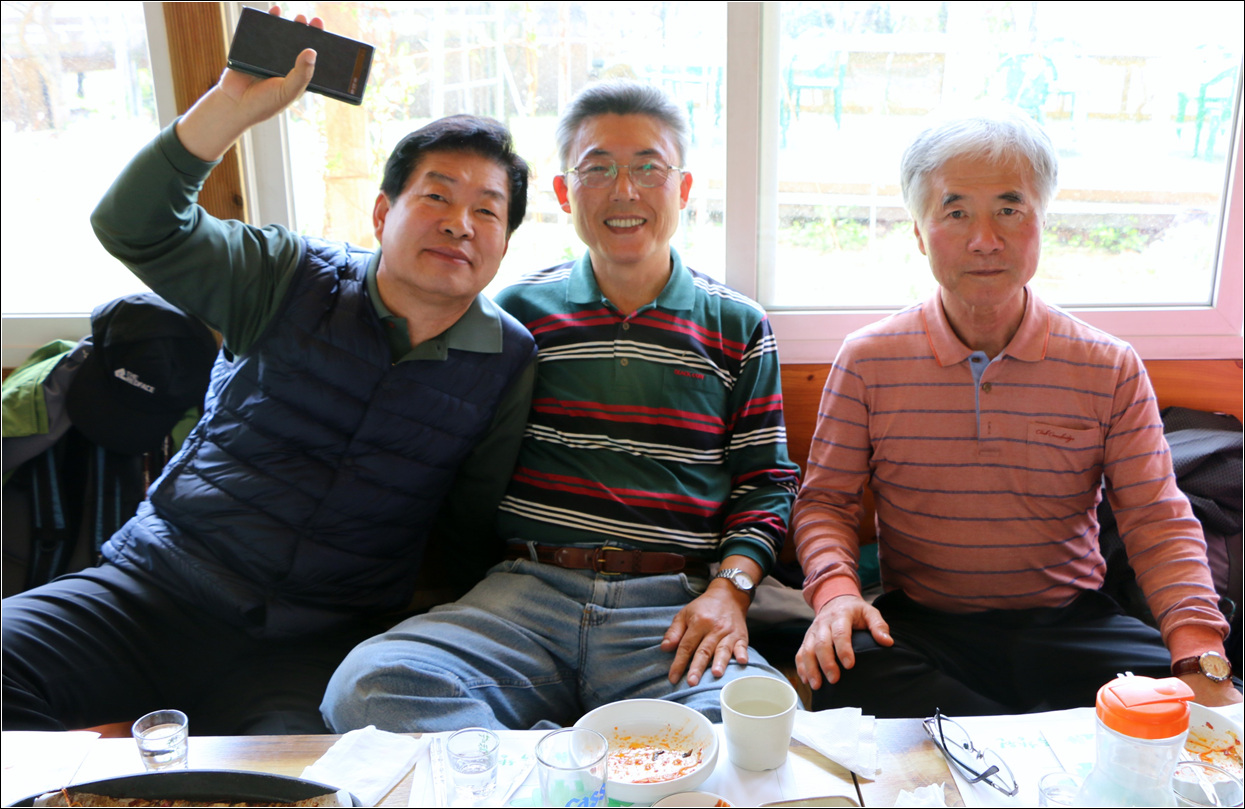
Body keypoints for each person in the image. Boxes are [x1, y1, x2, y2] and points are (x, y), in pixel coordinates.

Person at [2, 11, 537, 735]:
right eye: (436, 196)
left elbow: (471, 521)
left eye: (487, 211)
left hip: (316, 644)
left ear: (503, 243)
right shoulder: (286, 273)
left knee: (306, 778)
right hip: (156, 589)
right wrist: (231, 105)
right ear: (383, 212)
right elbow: (134, 225)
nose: (459, 223)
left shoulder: (506, 358)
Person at [321, 80, 802, 732]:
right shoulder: (516, 314)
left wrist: (730, 590)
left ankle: (553, 755)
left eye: (648, 169)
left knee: (760, 728)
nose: (624, 191)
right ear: (563, 192)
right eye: (597, 169)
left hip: (670, 610)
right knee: (367, 684)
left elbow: (766, 481)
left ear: (683, 189)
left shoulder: (737, 324)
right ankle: (578, 761)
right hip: (526, 593)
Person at [791, 107, 1242, 717]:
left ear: (1042, 222)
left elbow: (1157, 518)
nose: (985, 239)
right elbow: (826, 503)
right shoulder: (867, 360)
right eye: (956, 212)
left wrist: (1198, 653)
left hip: (1070, 626)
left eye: (1010, 209)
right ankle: (1035, 738)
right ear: (920, 233)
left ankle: (978, 737)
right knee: (840, 672)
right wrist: (837, 595)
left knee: (1192, 702)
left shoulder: (1108, 365)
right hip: (924, 626)